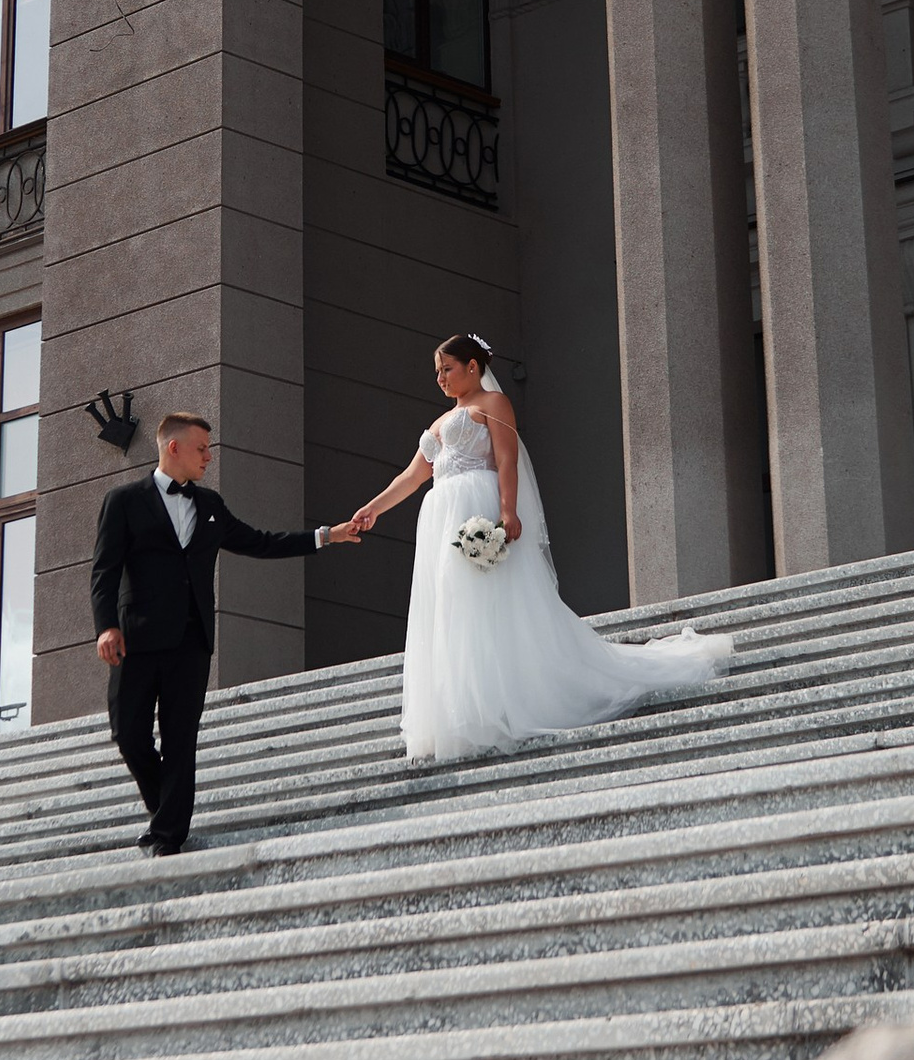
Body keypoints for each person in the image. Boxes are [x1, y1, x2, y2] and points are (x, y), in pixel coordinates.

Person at [349, 331, 731, 763]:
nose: (440, 378)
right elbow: (413, 476)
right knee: (453, 609)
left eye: (447, 369)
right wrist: (373, 507)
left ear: (473, 367)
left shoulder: (493, 404)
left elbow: (507, 459)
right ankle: (467, 707)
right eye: (437, 372)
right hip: (441, 518)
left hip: (477, 507)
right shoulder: (439, 423)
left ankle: (504, 703)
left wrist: (508, 511)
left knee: (489, 604)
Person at [90, 412, 358, 853]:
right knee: (128, 735)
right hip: (135, 641)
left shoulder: (211, 505)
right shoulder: (122, 501)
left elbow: (261, 541)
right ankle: (166, 813)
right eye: (201, 449)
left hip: (192, 643)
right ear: (173, 447)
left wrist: (327, 536)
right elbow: (104, 571)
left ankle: (167, 837)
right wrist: (106, 627)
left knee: (180, 741)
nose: (208, 458)